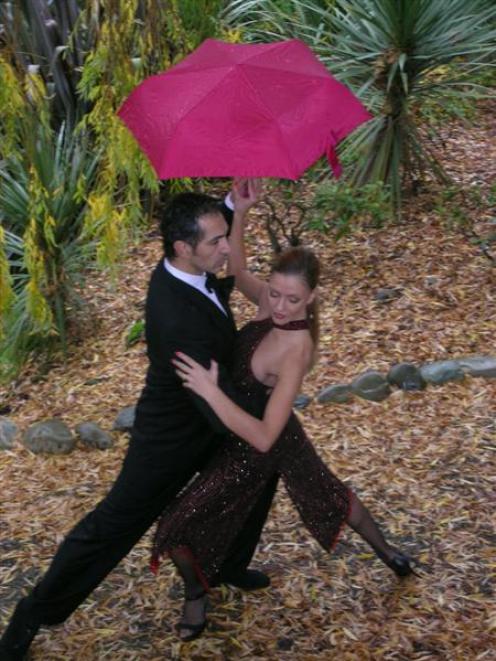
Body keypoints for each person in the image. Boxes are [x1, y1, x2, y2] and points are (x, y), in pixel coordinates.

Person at [0, 184, 277, 660]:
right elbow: (213, 399)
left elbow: (222, 264)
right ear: (183, 248)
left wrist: (236, 208)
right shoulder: (174, 314)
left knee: (259, 469)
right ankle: (34, 612)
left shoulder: (188, 268)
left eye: (222, 237)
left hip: (209, 411)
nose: (226, 247)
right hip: (170, 437)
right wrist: (263, 421)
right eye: (216, 241)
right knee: (112, 526)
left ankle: (229, 563)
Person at [150, 179, 416, 642]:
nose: (277, 305)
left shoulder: (296, 347)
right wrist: (243, 212)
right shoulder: (267, 304)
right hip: (239, 433)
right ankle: (198, 591)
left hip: (262, 440)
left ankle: (389, 552)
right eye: (273, 292)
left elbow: (264, 438)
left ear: (310, 299)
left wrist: (211, 393)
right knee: (176, 526)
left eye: (292, 300)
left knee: (327, 493)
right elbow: (236, 263)